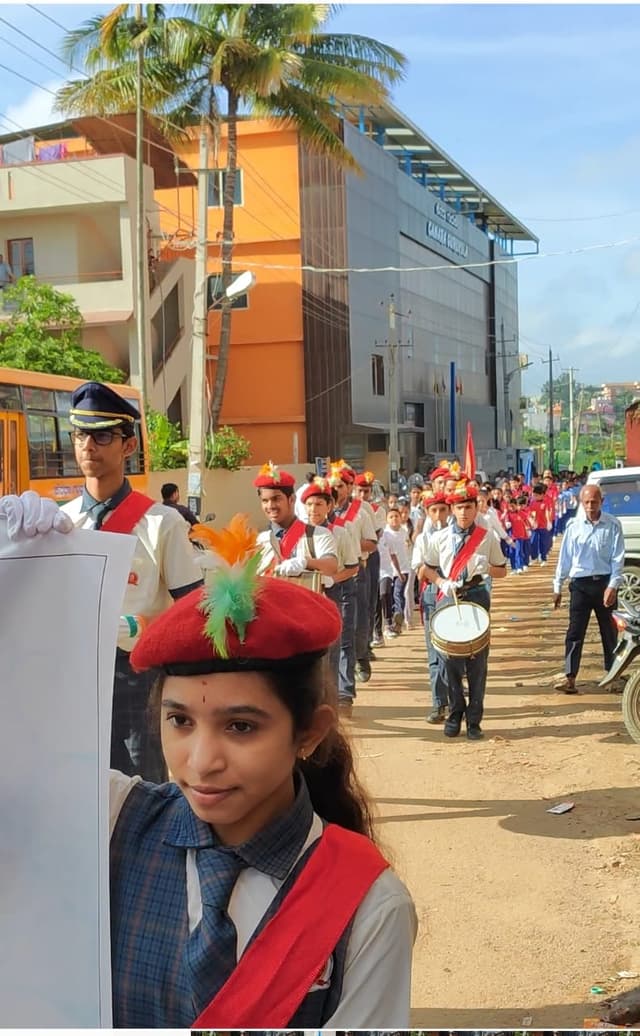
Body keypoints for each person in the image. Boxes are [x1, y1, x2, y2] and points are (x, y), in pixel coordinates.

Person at [0, 498, 417, 1027]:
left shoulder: (370, 908)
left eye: (240, 726)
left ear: (309, 733)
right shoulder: (110, 818)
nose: (199, 762)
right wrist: (15, 568)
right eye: (179, 722)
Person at [61, 381, 203, 782]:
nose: (89, 446)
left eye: (102, 435)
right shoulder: (60, 522)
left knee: (143, 785)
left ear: (128, 446)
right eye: (81, 435)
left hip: (137, 677)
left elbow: (192, 610)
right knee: (81, 787)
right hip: (75, 675)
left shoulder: (162, 523)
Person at [421, 483, 508, 740]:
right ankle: (455, 711)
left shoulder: (486, 536)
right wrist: (441, 583)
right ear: (451, 509)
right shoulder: (439, 538)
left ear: (475, 508)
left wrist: (486, 567)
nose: (463, 513)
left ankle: (474, 719)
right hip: (450, 596)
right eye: (459, 508)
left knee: (477, 661)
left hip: (477, 594)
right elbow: (427, 569)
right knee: (448, 660)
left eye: (468, 507)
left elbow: (502, 570)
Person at [552, 484, 625, 694]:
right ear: (581, 503)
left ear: (602, 501)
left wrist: (613, 585)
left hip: (604, 585)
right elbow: (564, 558)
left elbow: (618, 558)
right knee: (574, 633)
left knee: (610, 632)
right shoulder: (573, 526)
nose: (591, 506)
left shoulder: (612, 525)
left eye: (594, 501)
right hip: (580, 587)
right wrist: (557, 586)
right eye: (587, 502)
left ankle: (613, 676)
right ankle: (570, 677)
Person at [254, 462, 338, 586]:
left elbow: (331, 566)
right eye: (265, 501)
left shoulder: (318, 534)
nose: (270, 506)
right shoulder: (261, 540)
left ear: (292, 499)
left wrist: (305, 562)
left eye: (276, 499)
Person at [412, 490, 451, 722]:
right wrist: (437, 579)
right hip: (432, 593)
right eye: (433, 510)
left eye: (442, 510)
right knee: (434, 651)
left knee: (451, 650)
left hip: (454, 591)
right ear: (427, 512)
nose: (438, 515)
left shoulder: (456, 535)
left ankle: (454, 699)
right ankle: (439, 702)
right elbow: (419, 569)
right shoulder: (423, 539)